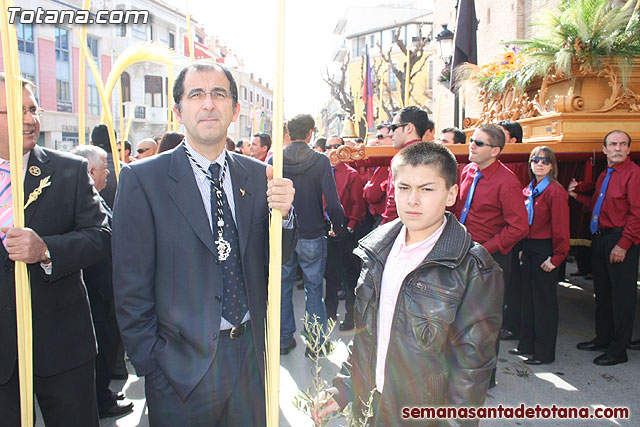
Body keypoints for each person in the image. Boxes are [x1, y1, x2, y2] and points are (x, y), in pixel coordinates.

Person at [112, 61, 296, 426]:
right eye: (196, 94)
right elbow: (129, 281)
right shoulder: (142, 179)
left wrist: (286, 215)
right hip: (178, 366)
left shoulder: (261, 175)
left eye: (219, 94)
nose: (208, 103)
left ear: (235, 109)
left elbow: (274, 259)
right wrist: (150, 361)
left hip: (249, 358)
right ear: (178, 111)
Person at [314, 142, 503, 426]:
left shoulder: (473, 269)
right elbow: (368, 333)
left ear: (451, 194)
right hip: (371, 409)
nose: (413, 200)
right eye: (404, 188)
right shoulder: (377, 250)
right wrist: (343, 388)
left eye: (426, 189)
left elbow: (473, 368)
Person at [0, 74, 111, 426]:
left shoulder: (69, 170)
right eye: (17, 111)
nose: (31, 119)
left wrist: (46, 249)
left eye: (33, 109)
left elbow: (102, 235)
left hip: (61, 345)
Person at [454, 124, 528, 386]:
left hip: (490, 258)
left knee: (485, 321)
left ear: (495, 151)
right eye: (472, 140)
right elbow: (460, 209)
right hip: (463, 253)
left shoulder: (507, 181)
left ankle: (486, 377)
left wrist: (487, 249)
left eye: (479, 143)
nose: (471, 145)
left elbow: (519, 226)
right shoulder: (468, 171)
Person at [71, 145, 134, 418]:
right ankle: (100, 400)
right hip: (98, 290)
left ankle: (103, 393)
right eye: (104, 167)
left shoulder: (94, 195)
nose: (108, 172)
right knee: (102, 346)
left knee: (109, 344)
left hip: (106, 286)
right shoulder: (79, 201)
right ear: (90, 171)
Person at [277, 114, 344, 357]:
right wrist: (337, 223)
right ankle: (315, 342)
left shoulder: (276, 158)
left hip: (282, 232)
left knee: (283, 286)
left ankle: (284, 339)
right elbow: (333, 202)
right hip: (312, 231)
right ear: (310, 133)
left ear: (289, 132)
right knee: (314, 288)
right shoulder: (320, 161)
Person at [572, 130, 640, 366]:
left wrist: (624, 244)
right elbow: (597, 207)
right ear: (605, 149)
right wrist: (577, 197)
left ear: (629, 150)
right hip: (600, 239)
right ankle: (603, 339)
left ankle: (618, 350)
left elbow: (637, 213)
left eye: (623, 144)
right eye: (613, 144)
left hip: (620, 240)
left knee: (621, 298)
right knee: (602, 294)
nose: (618, 148)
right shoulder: (605, 175)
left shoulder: (634, 175)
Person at [510, 146, 569, 365]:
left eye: (545, 161)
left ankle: (544, 354)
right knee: (528, 299)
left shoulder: (555, 191)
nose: (540, 164)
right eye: (535, 160)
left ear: (552, 165)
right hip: (529, 248)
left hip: (546, 250)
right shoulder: (529, 189)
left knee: (544, 303)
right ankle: (526, 345)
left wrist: (557, 258)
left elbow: (561, 228)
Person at [325, 139, 367, 332]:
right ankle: (329, 313)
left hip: (346, 230)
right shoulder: (323, 173)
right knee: (330, 275)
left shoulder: (352, 174)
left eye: (336, 146)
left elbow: (359, 204)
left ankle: (351, 316)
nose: (332, 151)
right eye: (328, 147)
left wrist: (349, 227)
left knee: (348, 276)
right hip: (326, 229)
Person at [381, 106, 430, 224]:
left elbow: (394, 200)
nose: (390, 134)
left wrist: (384, 227)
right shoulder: (435, 156)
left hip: (401, 224)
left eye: (394, 127)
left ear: (409, 128)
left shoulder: (402, 159)